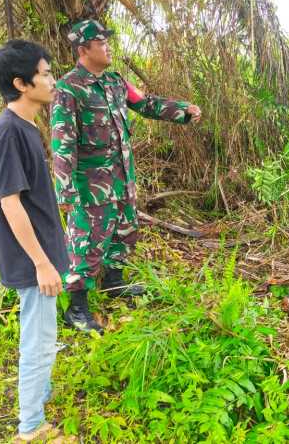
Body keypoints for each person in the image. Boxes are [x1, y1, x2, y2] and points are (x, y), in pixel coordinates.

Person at [51, 19, 201, 334]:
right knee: (86, 242)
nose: (108, 47)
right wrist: (65, 192)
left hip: (122, 178)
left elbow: (145, 103)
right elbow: (62, 143)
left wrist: (182, 110)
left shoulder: (115, 82)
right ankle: (76, 310)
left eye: (107, 41)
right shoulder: (68, 89)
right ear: (84, 49)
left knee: (123, 233)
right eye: (101, 43)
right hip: (90, 186)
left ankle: (113, 284)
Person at [0, 40, 67, 442]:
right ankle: (32, 428)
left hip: (40, 253)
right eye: (45, 73)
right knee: (38, 341)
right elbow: (10, 204)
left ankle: (39, 404)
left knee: (43, 335)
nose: (52, 80)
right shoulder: (8, 133)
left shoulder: (26, 127)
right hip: (31, 259)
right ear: (21, 83)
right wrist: (41, 262)